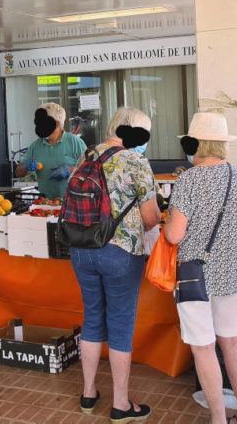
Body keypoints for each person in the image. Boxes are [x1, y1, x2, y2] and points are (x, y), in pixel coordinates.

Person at [163, 112, 237, 424]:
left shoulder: (189, 180)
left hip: (195, 277)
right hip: (233, 274)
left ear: (196, 144)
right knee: (231, 341)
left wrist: (167, 227)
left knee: (204, 349)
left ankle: (219, 419)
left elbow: (175, 234)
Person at [70, 107, 161, 422]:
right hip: (120, 252)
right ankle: (121, 404)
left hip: (81, 249)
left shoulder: (87, 156)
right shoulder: (135, 161)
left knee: (93, 318)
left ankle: (88, 392)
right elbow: (151, 218)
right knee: (120, 325)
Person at [15, 103, 86, 199]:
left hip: (72, 203)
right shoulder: (35, 146)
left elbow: (91, 171)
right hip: (45, 203)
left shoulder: (75, 142)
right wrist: (25, 166)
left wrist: (70, 170)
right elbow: (18, 172)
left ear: (56, 123)